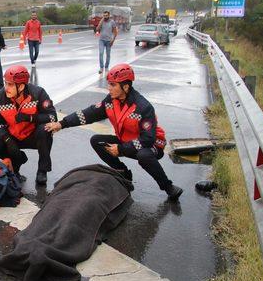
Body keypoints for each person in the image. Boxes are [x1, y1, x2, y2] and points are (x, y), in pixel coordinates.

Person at [45, 63, 183, 200]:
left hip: (152, 145)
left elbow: (148, 139)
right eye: (109, 84)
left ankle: (168, 187)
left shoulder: (143, 107)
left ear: (126, 86)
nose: (108, 88)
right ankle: (123, 173)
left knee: (144, 155)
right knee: (96, 140)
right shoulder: (111, 101)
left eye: (113, 85)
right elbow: (89, 114)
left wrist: (121, 149)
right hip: (126, 142)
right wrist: (62, 124)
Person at [0, 65, 57, 185]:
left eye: (10, 84)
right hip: (13, 136)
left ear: (21, 86)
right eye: (5, 83)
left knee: (46, 130)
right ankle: (17, 163)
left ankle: (42, 170)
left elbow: (52, 117)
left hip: (34, 136)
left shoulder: (38, 93)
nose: (6, 87)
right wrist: (7, 140)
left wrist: (29, 117)